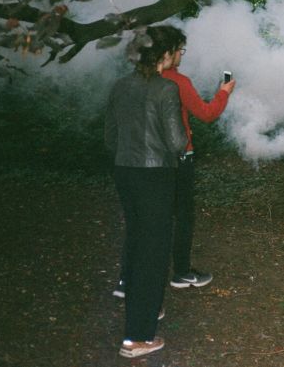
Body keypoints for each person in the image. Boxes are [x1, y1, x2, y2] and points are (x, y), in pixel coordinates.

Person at [105, 26, 188, 358]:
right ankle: (137, 337)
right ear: (164, 55)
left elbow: (110, 138)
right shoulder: (166, 89)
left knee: (138, 242)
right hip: (155, 175)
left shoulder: (120, 86)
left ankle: (145, 309)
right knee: (153, 253)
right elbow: (177, 142)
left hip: (125, 171)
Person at [162, 28, 235, 288]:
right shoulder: (178, 82)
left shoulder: (141, 80)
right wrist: (224, 91)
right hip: (180, 157)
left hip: (147, 159)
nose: (182, 55)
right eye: (180, 50)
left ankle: (131, 279)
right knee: (182, 216)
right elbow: (206, 113)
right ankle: (181, 271)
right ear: (168, 51)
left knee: (152, 217)